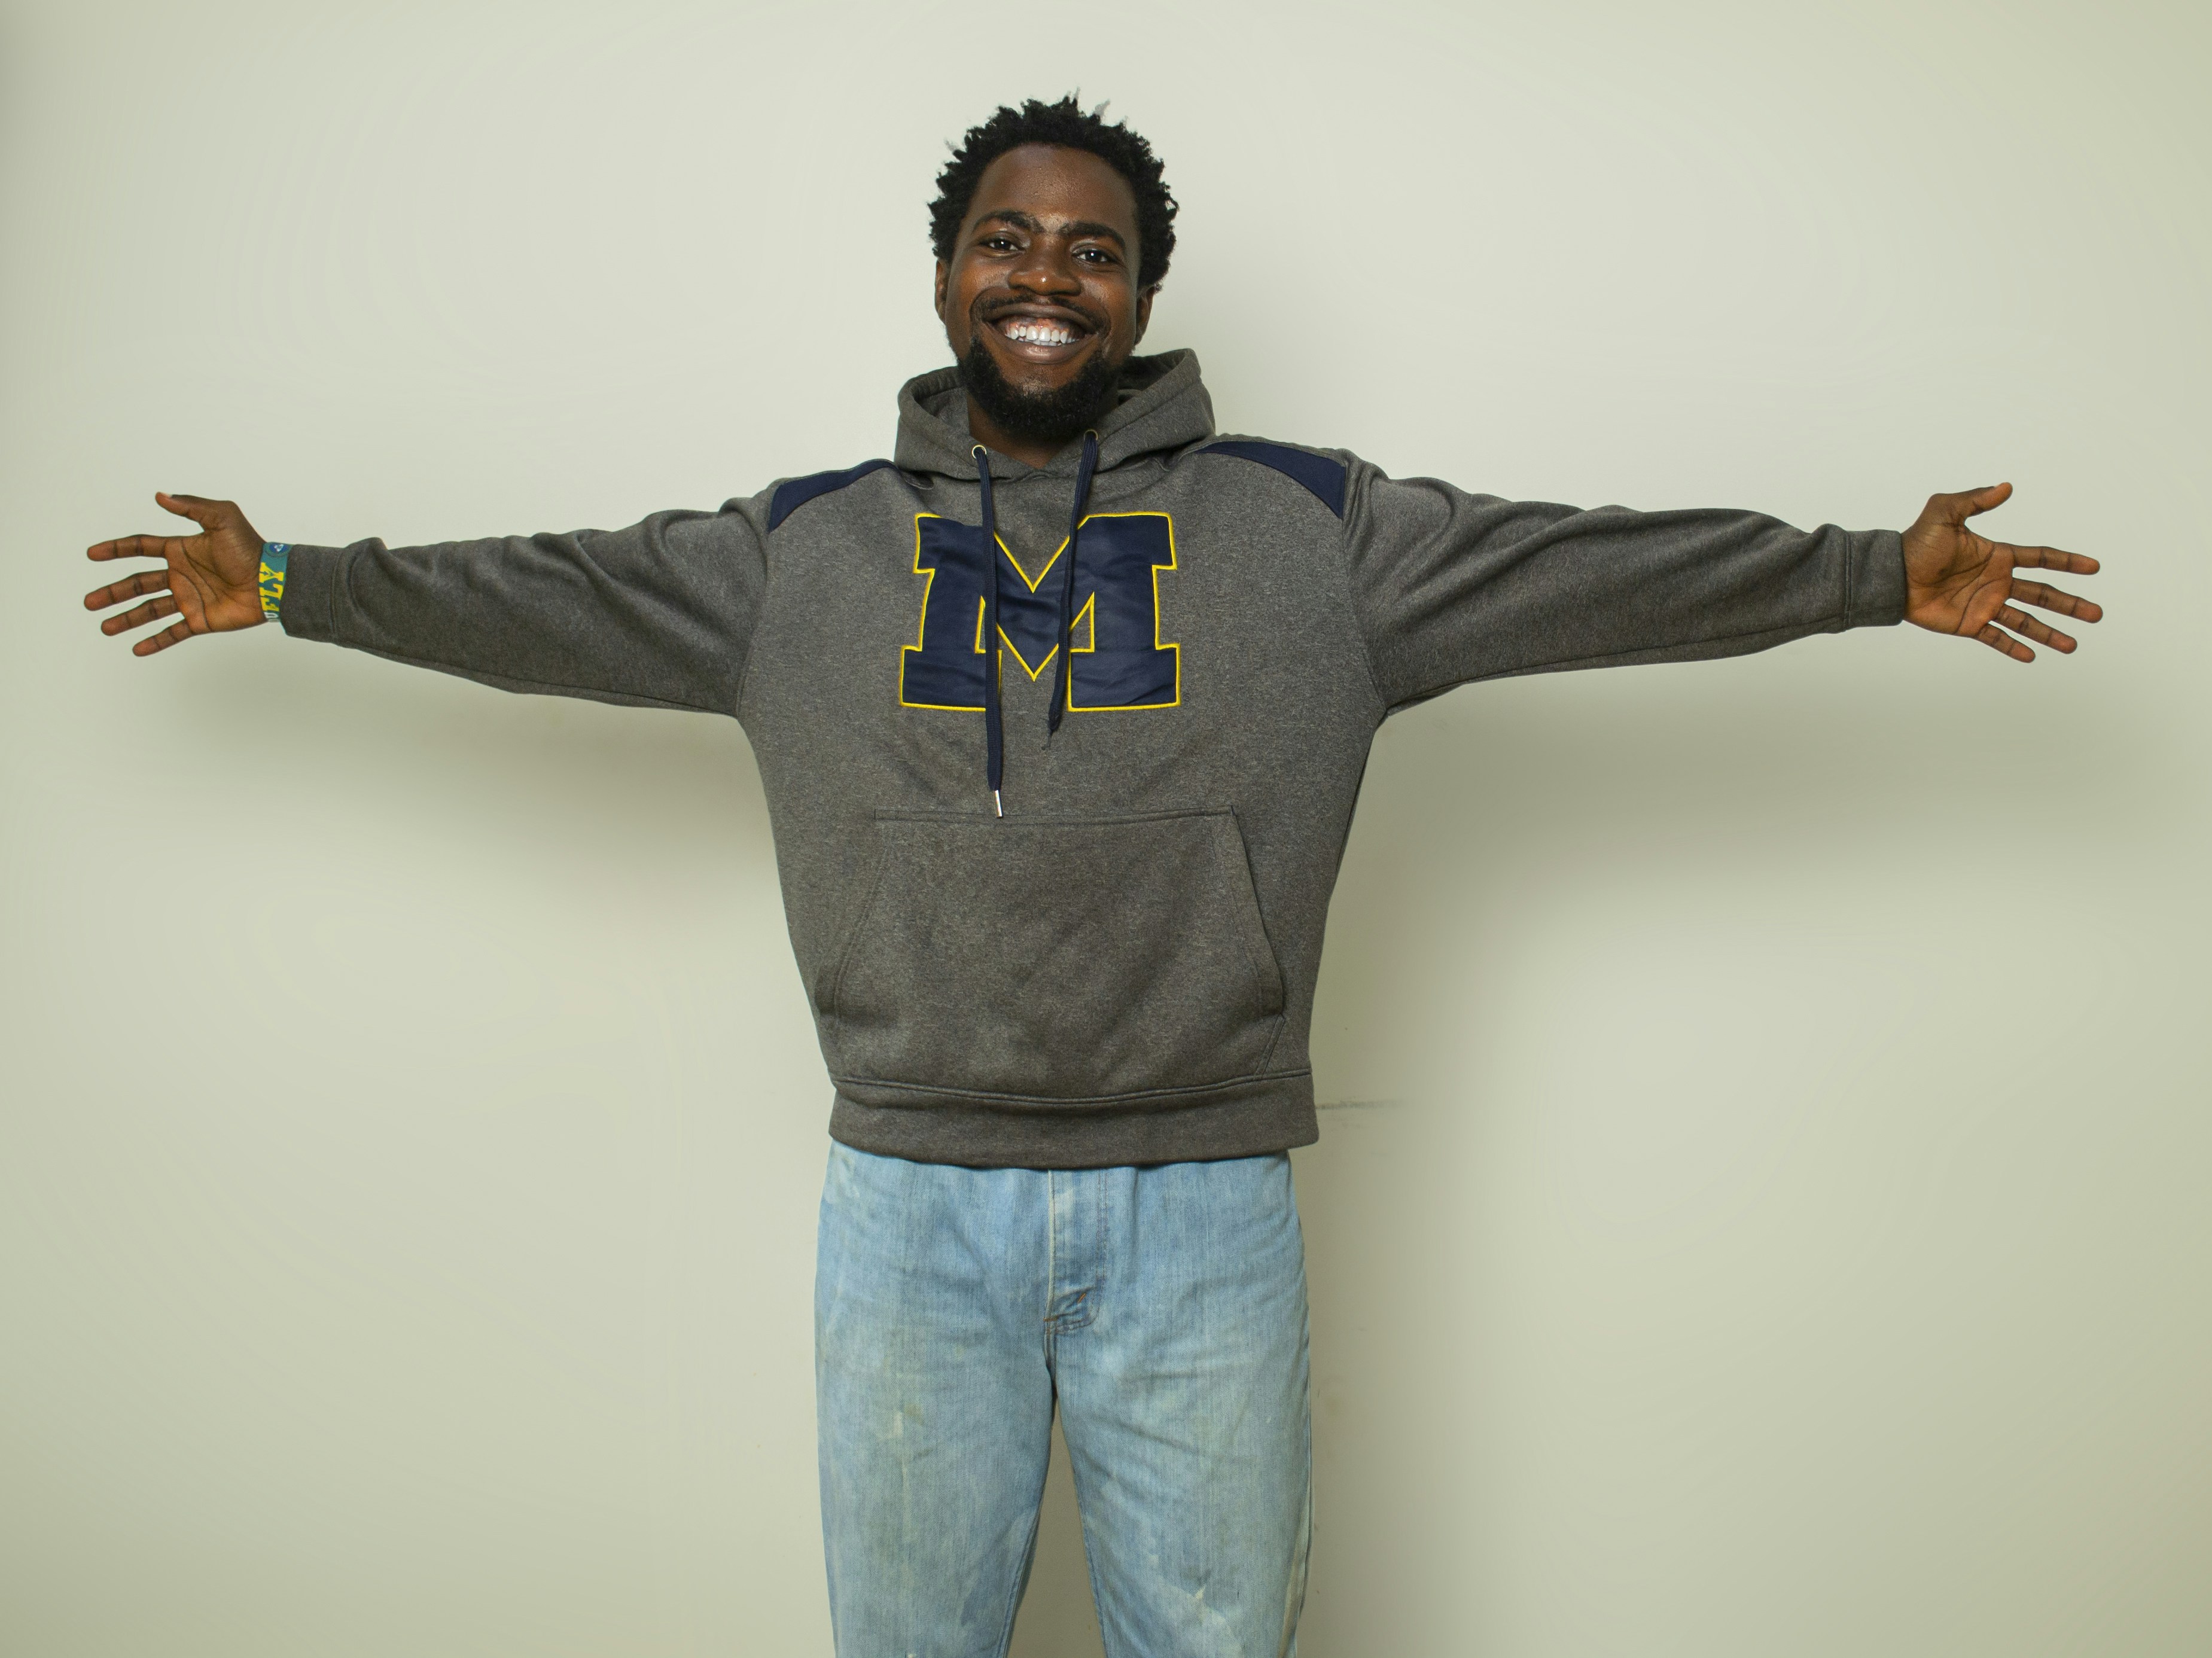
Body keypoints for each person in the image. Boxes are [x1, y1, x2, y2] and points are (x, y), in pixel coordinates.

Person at [81, 94, 2100, 1658]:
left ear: (1141, 292)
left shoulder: (1322, 532)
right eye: (1004, 240)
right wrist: (288, 585)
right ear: (946, 270)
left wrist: (1860, 574)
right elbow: (545, 596)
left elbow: (1584, 567)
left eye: (1094, 250)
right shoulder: (789, 554)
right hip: (907, 1203)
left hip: (1201, 1200)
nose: (1045, 277)